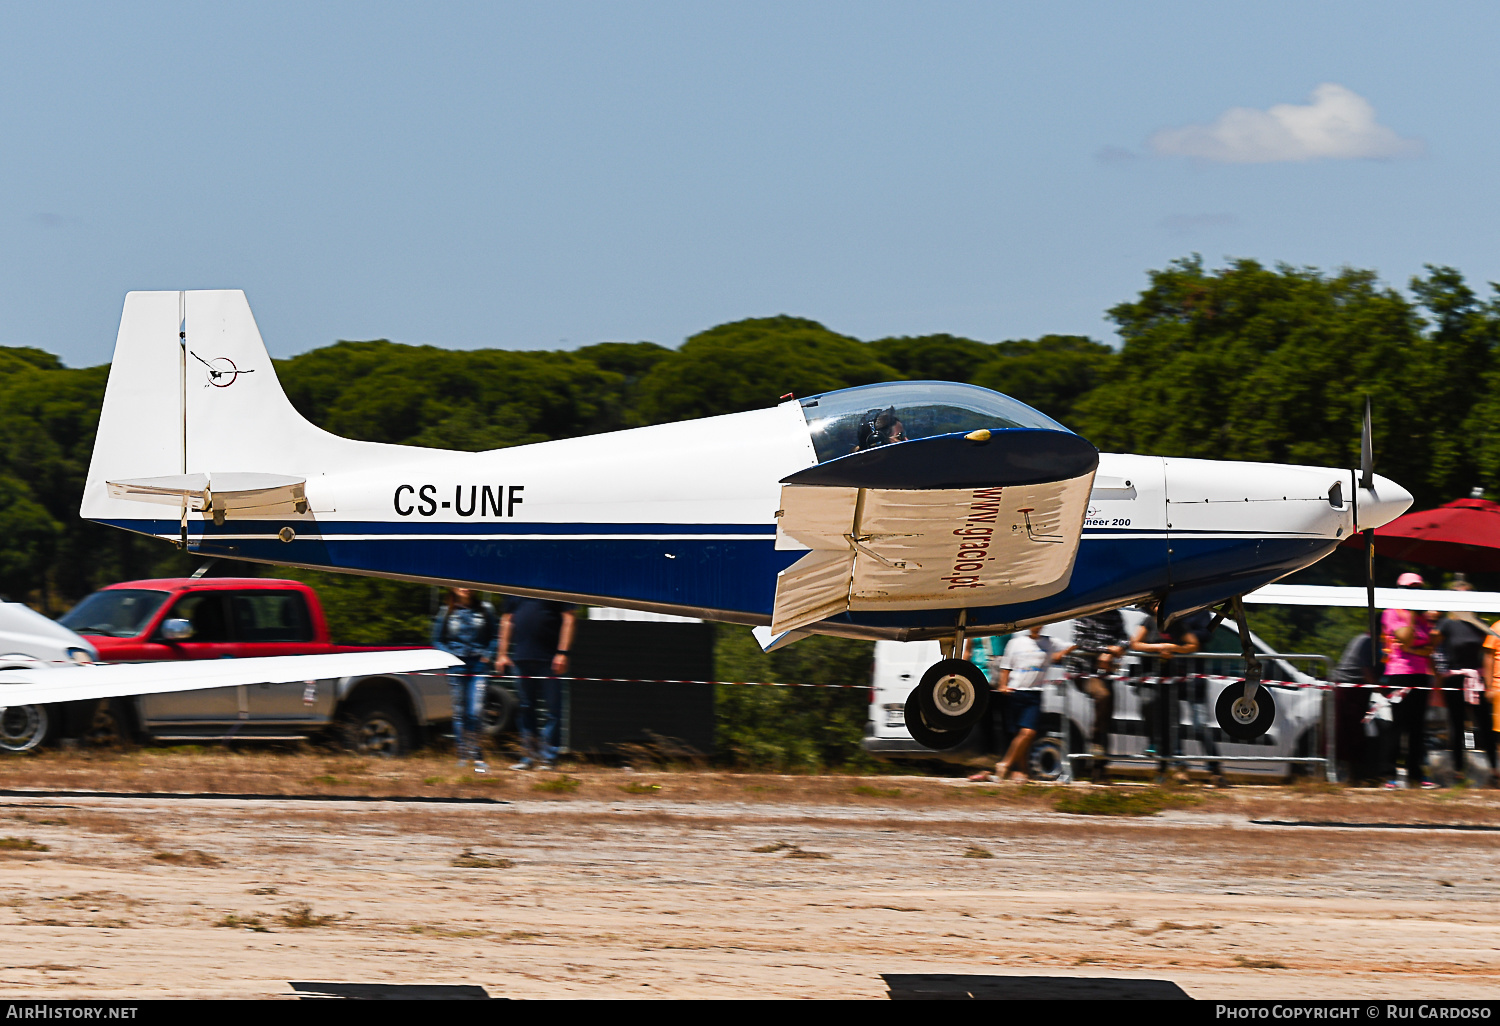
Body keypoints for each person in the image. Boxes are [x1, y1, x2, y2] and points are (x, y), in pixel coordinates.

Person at [969, 626, 1073, 782]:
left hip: (1035, 693)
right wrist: (1003, 685)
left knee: (1028, 732)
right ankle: (1022, 772)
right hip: (1016, 692)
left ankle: (1005, 764)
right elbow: (1006, 667)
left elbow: (1070, 647)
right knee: (1017, 735)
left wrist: (1058, 655)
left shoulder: (1049, 643)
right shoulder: (1016, 643)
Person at [1130, 605, 1216, 782]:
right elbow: (1135, 643)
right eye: (1155, 605)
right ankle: (1158, 754)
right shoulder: (1148, 622)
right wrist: (1158, 648)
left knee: (1170, 724)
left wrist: (1173, 648)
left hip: (1170, 681)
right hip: (1150, 680)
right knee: (1150, 707)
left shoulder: (1177, 624)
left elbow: (1193, 644)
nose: (1158, 608)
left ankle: (1167, 769)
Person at [498, 596, 577, 770]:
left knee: (553, 710)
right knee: (526, 708)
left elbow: (569, 619)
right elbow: (507, 620)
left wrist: (562, 652)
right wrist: (502, 653)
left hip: (550, 660)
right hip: (521, 659)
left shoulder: (556, 586)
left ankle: (548, 758)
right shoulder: (514, 589)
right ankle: (529, 757)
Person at [1381, 572, 1440, 789]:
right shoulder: (1391, 613)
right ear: (1401, 590)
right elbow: (1406, 638)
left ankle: (1417, 774)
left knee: (1417, 727)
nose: (1415, 593)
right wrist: (1412, 613)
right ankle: (1389, 775)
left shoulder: (1425, 618)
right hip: (1399, 674)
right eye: (1410, 589)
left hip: (1421, 674)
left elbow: (1430, 646)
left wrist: (1415, 647)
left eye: (1418, 589)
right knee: (1397, 725)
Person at [430, 588, 498, 772]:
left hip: (479, 665)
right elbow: (437, 640)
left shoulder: (485, 608)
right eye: (460, 585)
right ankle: (462, 756)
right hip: (456, 664)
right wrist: (449, 655)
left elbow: (494, 635)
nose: (464, 588)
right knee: (460, 711)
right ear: (453, 587)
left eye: (468, 585)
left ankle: (477, 755)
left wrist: (488, 655)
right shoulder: (447, 611)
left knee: (475, 711)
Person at [1439, 581, 1499, 787]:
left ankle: (1494, 770)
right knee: (1456, 726)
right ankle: (1457, 771)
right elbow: (1434, 648)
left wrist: (1490, 683)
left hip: (1478, 679)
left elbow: (1489, 652)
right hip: (1455, 678)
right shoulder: (1446, 624)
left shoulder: (1479, 623)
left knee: (1484, 725)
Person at [1064, 610, 1129, 784]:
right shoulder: (1085, 612)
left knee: (1106, 718)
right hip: (1083, 672)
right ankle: (1095, 741)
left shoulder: (1115, 614)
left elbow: (1125, 638)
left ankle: (1099, 769)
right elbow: (1081, 641)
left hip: (1105, 674)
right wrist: (1106, 649)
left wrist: (1116, 650)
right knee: (1103, 696)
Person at [1330, 631, 1379, 784]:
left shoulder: (1368, 641)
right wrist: (1382, 689)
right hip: (1348, 690)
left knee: (1355, 733)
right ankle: (1348, 776)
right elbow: (1366, 670)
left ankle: (1355, 775)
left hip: (1355, 691)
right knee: (1348, 734)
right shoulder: (1367, 641)